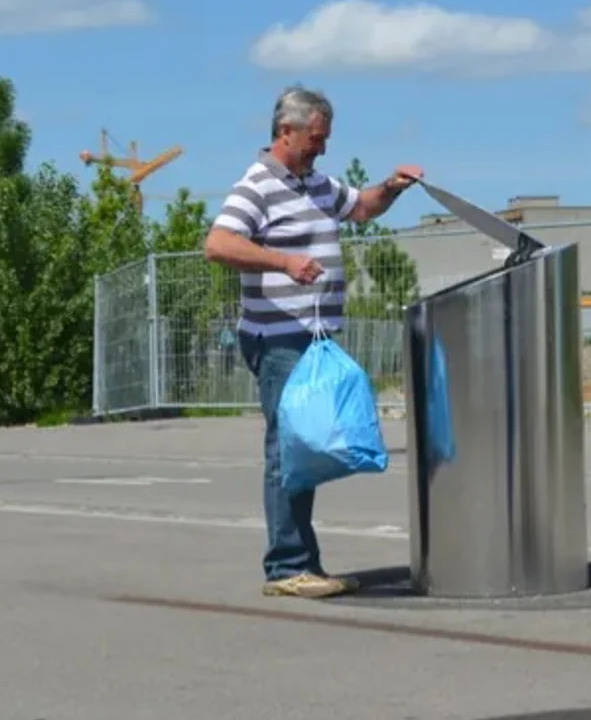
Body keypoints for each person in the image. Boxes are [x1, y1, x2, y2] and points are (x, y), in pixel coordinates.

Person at [203, 86, 424, 599]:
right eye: (315, 138)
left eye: (325, 139)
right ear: (286, 132)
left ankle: (303, 563)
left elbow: (362, 208)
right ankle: (286, 567)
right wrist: (283, 262)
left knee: (306, 446)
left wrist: (392, 186)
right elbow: (219, 243)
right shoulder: (256, 185)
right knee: (289, 447)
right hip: (277, 338)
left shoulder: (315, 183)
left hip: (312, 337)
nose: (321, 148)